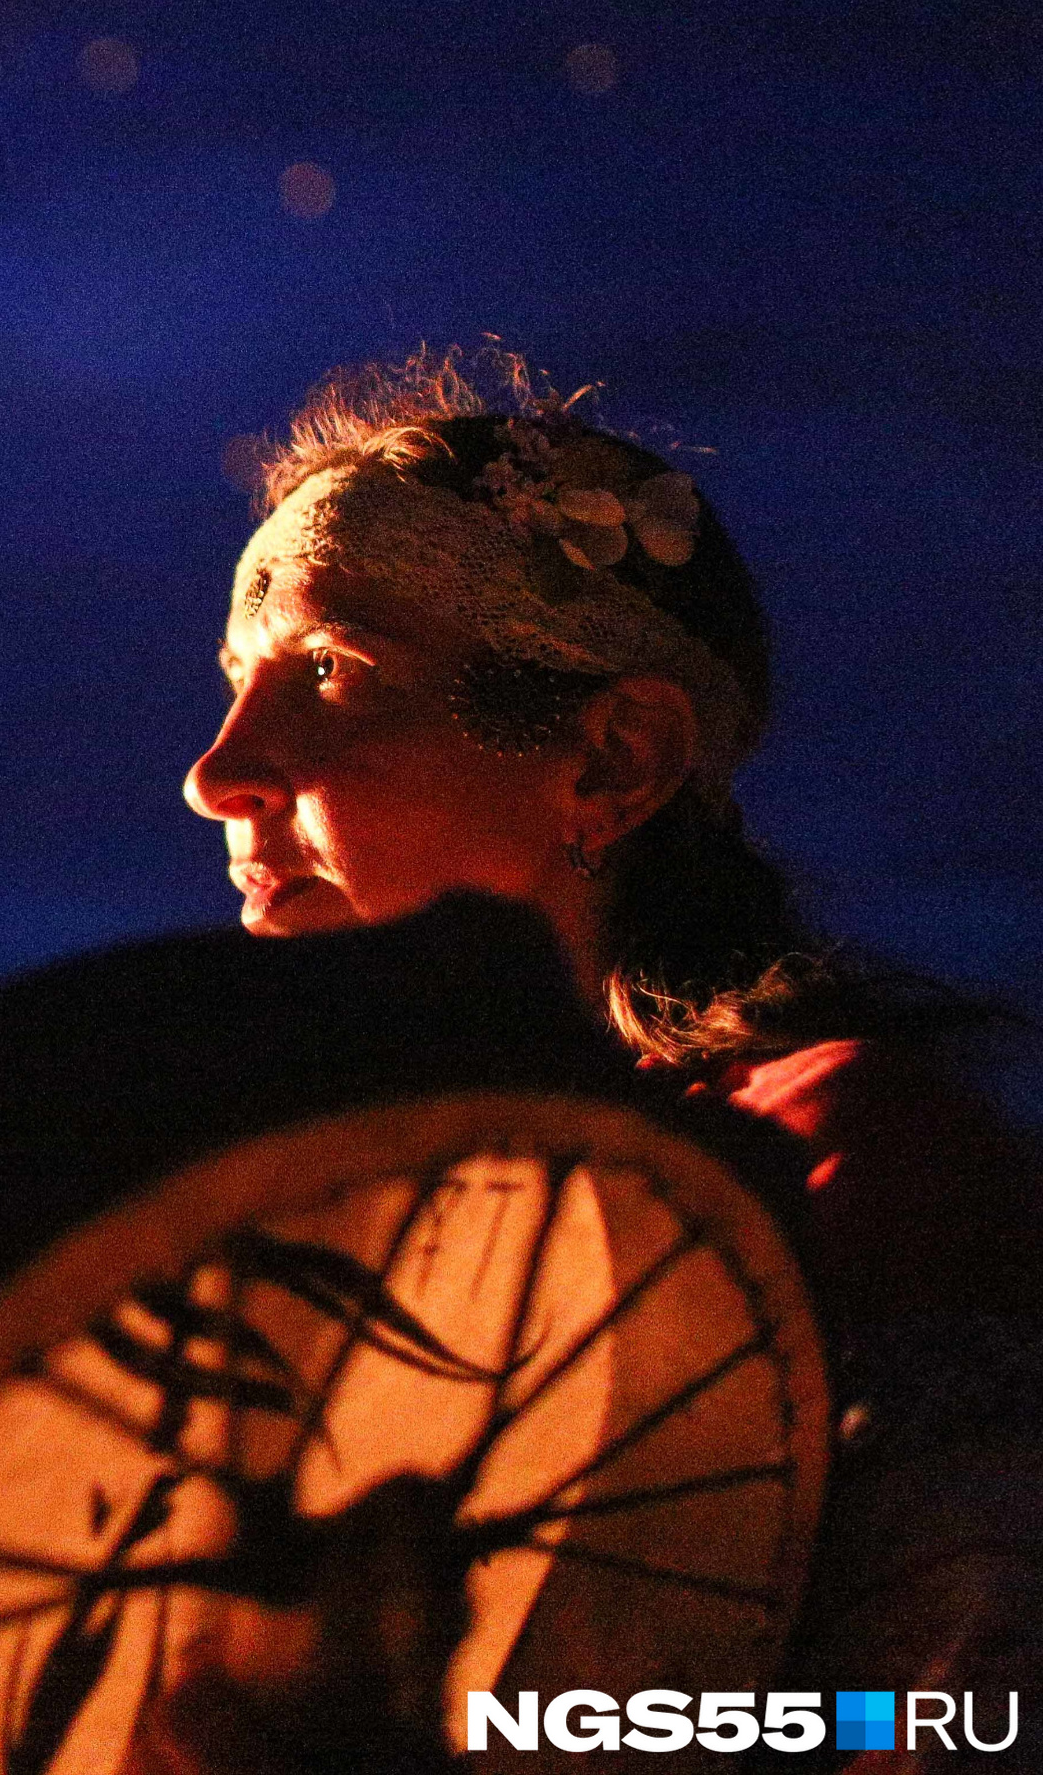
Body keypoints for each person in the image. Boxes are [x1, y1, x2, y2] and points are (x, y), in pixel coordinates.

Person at [169, 346, 1043, 1769]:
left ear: (614, 760)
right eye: (235, 683)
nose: (218, 771)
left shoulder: (853, 1166)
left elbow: (975, 1713)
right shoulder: (338, 1226)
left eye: (329, 674)